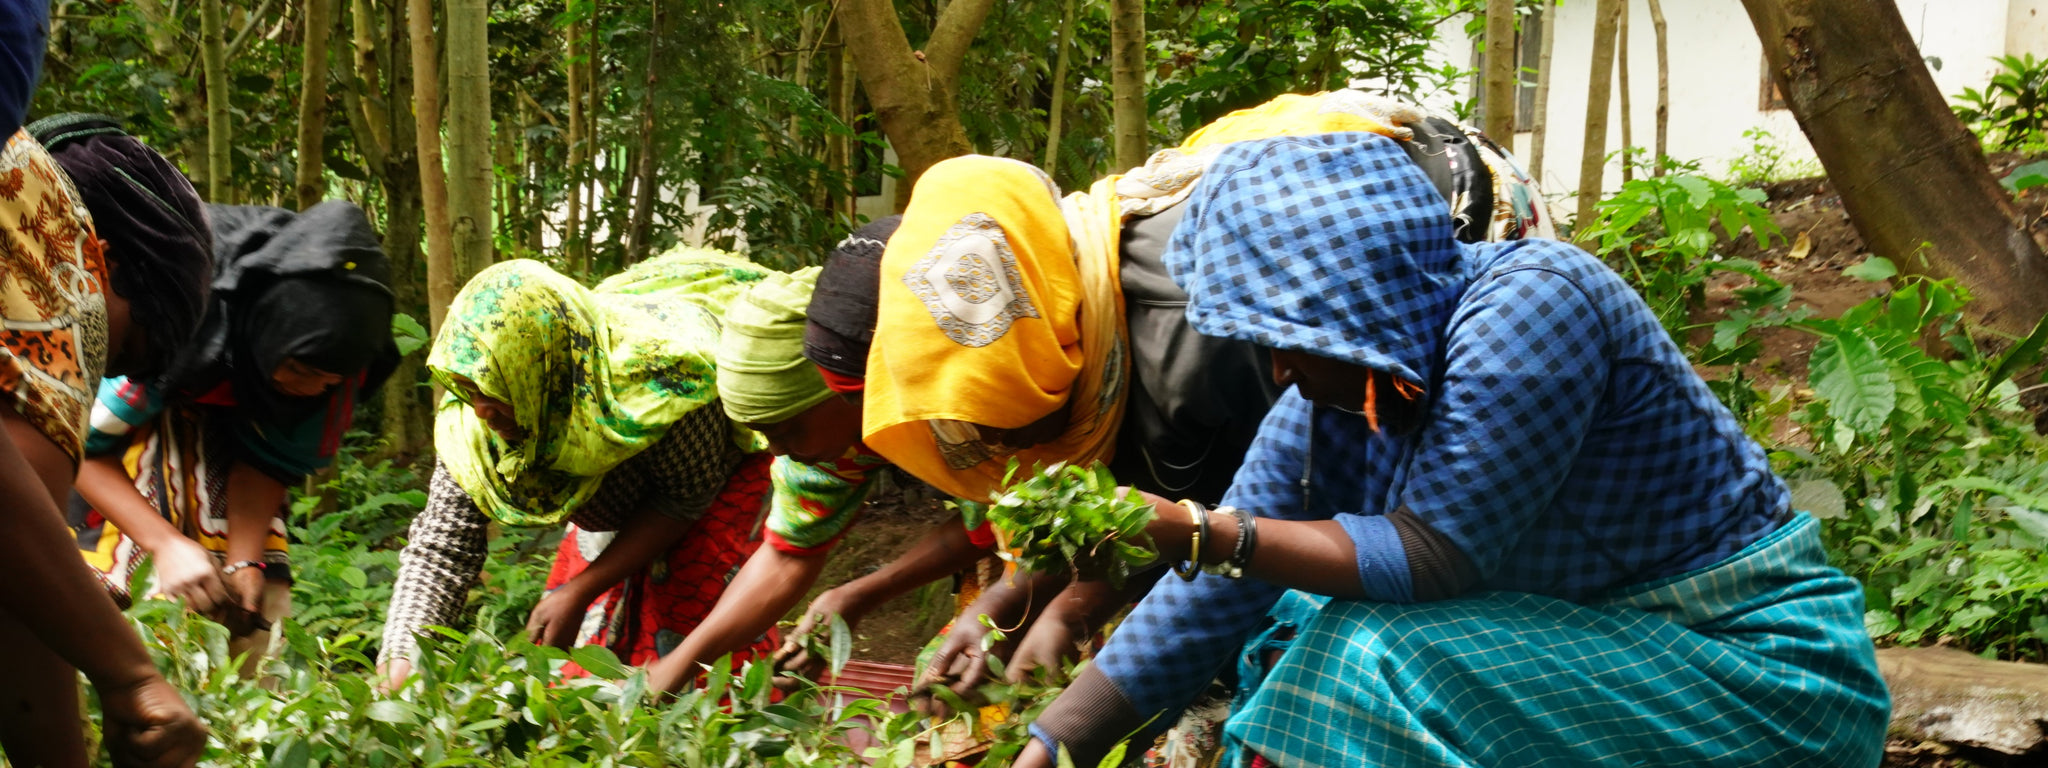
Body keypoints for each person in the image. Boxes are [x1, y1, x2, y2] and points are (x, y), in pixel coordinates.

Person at [1012, 132, 1891, 767]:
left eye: (1290, 333)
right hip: (1594, 661)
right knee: (1283, 631)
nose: (1277, 364)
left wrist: (1199, 529)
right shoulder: (1326, 407)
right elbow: (1216, 595)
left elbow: (1435, 554)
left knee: (1371, 658)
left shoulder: (1534, 305)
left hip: (1747, 677)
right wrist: (1058, 739)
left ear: (1354, 299)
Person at [642, 90, 1559, 698]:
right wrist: (1002, 609)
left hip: (1449, 243)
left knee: (1335, 643)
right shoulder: (1055, 325)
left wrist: (1079, 635)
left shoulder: (1222, 345)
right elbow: (1113, 507)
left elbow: (1250, 537)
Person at [53, 117, 400, 673]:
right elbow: (74, 443)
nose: (313, 389)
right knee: (135, 592)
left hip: (226, 425)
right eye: (303, 371)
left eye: (329, 380)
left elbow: (270, 458)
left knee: (253, 606)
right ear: (269, 333)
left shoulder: (337, 357)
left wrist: (244, 560)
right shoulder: (173, 320)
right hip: (127, 423)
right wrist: (164, 543)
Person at [378, 248, 784, 688]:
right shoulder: (472, 429)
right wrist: (402, 654)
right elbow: (442, 547)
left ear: (543, 374)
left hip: (717, 477)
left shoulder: (665, 389)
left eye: (498, 388)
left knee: (693, 657)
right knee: (583, 659)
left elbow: (685, 497)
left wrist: (583, 588)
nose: (482, 410)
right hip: (610, 495)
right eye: (470, 388)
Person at [0, 125, 210, 767]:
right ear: (107, 264)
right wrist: (131, 675)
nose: (96, 380)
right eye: (121, 352)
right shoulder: (47, 228)